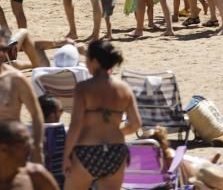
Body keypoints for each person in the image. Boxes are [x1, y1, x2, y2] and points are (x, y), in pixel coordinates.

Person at [63, 40, 141, 190]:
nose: (86, 64)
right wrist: (118, 132)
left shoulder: (83, 88)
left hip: (87, 150)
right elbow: (136, 124)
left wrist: (66, 155)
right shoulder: (124, 89)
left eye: (87, 60)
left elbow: (76, 124)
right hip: (116, 151)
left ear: (95, 61)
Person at [0, 29, 45, 163]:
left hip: (11, 148)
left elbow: (36, 114)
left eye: (3, 49)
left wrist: (37, 147)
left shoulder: (15, 79)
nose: (1, 54)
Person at [0, 121, 58, 189]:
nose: (30, 147)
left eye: (30, 141)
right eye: (23, 142)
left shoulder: (36, 175)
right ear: (3, 148)